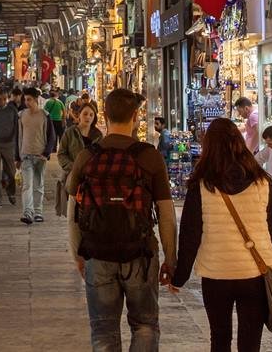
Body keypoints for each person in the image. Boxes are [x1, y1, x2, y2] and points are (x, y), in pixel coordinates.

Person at [171, 118, 272, 352]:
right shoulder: (262, 182)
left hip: (216, 274)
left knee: (219, 339)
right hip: (254, 274)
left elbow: (190, 236)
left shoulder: (201, 185)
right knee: (250, 344)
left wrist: (179, 276)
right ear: (239, 143)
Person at [66, 89, 176, 352]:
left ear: (104, 115)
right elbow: (166, 213)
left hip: (98, 253)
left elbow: (73, 214)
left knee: (103, 330)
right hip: (140, 254)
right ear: (136, 117)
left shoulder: (87, 156)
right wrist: (170, 258)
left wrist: (77, 255)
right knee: (145, 326)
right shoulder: (149, 156)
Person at [17, 87, 56, 225]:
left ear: (36, 100)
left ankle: (38, 212)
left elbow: (51, 136)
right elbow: (18, 136)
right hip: (26, 155)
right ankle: (28, 212)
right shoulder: (21, 115)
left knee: (38, 185)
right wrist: (17, 156)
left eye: (29, 100)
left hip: (40, 156)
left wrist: (47, 153)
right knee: (27, 185)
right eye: (25, 99)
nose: (27, 102)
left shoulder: (45, 115)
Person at [57, 102, 103, 177]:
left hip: (92, 177)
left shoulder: (98, 135)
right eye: (85, 114)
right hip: (72, 176)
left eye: (91, 115)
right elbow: (61, 154)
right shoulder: (70, 132)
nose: (88, 117)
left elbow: (101, 157)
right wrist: (74, 167)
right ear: (79, 115)